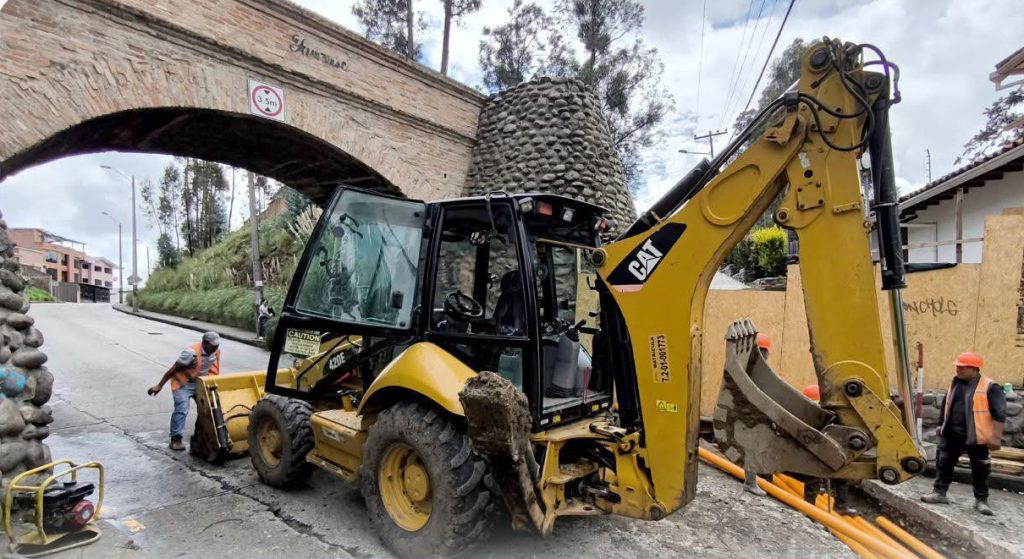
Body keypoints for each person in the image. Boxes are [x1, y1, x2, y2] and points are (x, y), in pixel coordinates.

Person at [921, 351, 1006, 515]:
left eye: (962, 367)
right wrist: (941, 424)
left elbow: (999, 413)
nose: (958, 370)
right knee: (944, 463)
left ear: (974, 368)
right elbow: (946, 405)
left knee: (980, 468)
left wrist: (995, 437)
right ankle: (939, 493)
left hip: (977, 437)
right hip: (952, 434)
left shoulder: (990, 387)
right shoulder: (955, 383)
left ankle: (981, 500)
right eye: (957, 366)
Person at [147, 331, 222, 451]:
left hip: (201, 383)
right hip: (184, 384)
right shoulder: (190, 353)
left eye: (217, 345)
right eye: (213, 345)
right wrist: (159, 385)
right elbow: (174, 369)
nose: (215, 348)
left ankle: (200, 436)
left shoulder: (216, 351)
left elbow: (214, 369)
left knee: (209, 409)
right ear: (205, 343)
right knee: (182, 409)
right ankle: (176, 439)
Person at [743, 332, 774, 496]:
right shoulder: (755, 369)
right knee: (753, 448)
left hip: (751, 412)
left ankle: (751, 481)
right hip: (751, 414)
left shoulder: (747, 366)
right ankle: (750, 483)